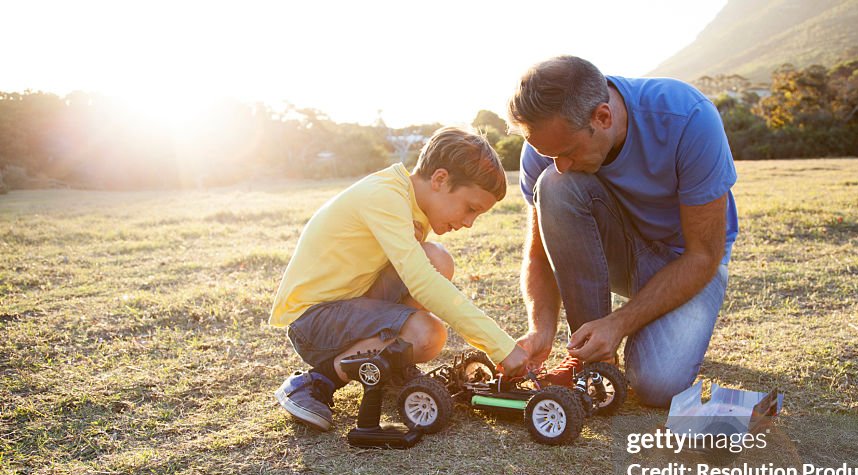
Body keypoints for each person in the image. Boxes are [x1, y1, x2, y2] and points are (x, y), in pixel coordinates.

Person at [507, 55, 739, 407]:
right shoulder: (548, 144)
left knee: (658, 386)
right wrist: (541, 327)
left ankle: (631, 333)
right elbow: (540, 253)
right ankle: (592, 362)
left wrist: (619, 323)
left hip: (685, 262)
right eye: (548, 153)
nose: (561, 163)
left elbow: (703, 255)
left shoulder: (689, 117)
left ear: (602, 117)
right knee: (555, 184)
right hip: (617, 255)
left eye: (568, 152)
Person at [269, 127, 528, 430]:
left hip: (350, 304)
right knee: (427, 334)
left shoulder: (412, 202)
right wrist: (501, 347)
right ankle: (316, 381)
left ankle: (390, 367)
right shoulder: (384, 196)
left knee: (437, 258)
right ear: (440, 179)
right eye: (470, 208)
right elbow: (423, 284)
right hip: (313, 322)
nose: (469, 223)